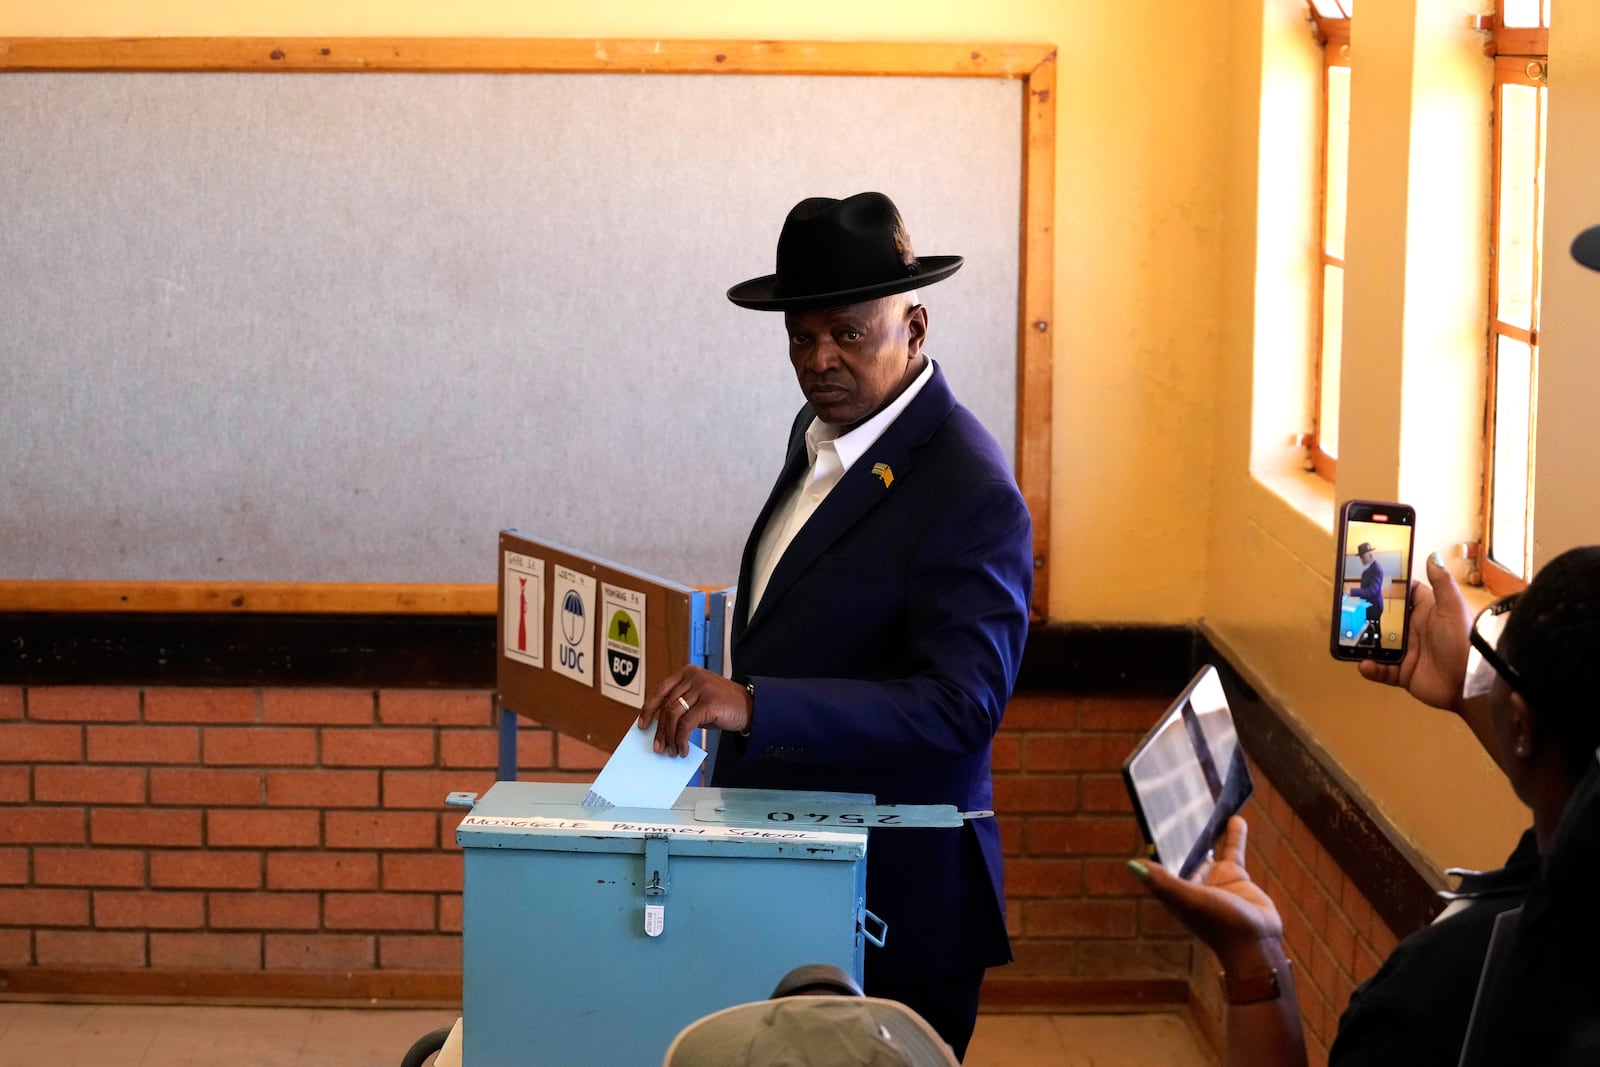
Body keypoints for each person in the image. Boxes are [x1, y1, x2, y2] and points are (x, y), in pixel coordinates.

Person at [636, 191, 1034, 1060]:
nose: (820, 359)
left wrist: (757, 705)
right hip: (792, 868)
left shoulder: (969, 490)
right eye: (800, 335)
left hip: (894, 894)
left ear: (915, 327)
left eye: (848, 334)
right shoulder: (823, 432)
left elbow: (961, 707)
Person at [1128, 545, 1600, 1067]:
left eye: (1493, 660)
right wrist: (1467, 688)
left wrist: (1251, 953)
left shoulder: (1449, 985)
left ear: (1521, 724)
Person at [1354, 542, 1384, 644]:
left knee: (1374, 625)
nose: (1361, 559)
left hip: (1374, 606)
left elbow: (1372, 591)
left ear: (1370, 554)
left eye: (1363, 556)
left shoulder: (1376, 569)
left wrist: (1352, 591)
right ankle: (1369, 639)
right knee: (1369, 624)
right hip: (1368, 604)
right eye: (1360, 557)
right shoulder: (1368, 569)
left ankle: (1378, 647)